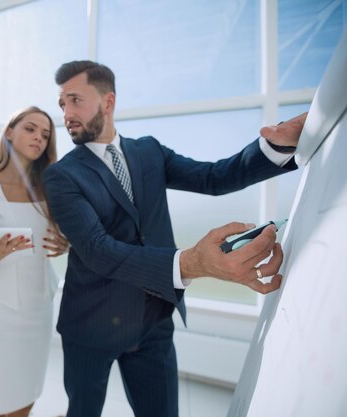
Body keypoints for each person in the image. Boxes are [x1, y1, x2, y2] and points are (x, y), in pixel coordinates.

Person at [42, 60, 308, 417]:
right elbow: (97, 250)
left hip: (153, 320)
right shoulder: (61, 175)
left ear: (108, 102)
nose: (66, 113)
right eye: (62, 105)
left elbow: (212, 178)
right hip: (90, 325)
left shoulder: (149, 151)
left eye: (75, 100)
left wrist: (272, 148)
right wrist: (189, 262)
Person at [0, 106, 69, 417]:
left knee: (26, 395)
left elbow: (64, 235)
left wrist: (64, 244)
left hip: (38, 306)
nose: (39, 138)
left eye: (46, 135)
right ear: (9, 132)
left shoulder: (49, 188)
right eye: (31, 129)